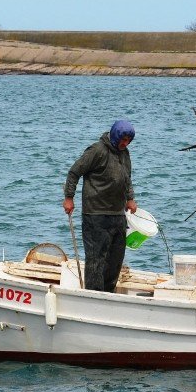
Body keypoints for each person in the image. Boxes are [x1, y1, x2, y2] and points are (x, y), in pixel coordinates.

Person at [62, 119, 138, 292]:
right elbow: (74, 172)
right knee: (96, 260)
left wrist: (130, 199)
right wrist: (69, 197)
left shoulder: (125, 153)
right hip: (95, 214)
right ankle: (94, 296)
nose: (125, 144)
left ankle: (108, 295)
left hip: (117, 214)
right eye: (123, 140)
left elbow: (127, 179)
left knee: (115, 260)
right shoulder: (96, 151)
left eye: (128, 141)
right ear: (115, 136)